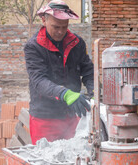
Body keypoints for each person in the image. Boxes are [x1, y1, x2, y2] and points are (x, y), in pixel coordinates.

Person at [24, 0, 94, 144]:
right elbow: (38, 81)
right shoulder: (34, 46)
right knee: (46, 161)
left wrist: (94, 91)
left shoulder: (77, 42)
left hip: (72, 115)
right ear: (44, 20)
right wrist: (65, 93)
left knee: (76, 158)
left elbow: (88, 70)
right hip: (45, 118)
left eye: (64, 27)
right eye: (55, 27)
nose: (60, 32)